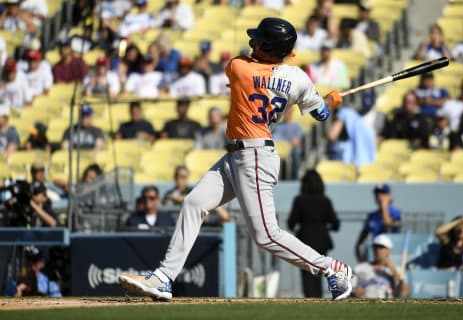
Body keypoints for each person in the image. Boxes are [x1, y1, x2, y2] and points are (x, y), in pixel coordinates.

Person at [119, 17, 352, 302]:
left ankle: (332, 269)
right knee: (194, 203)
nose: (252, 42)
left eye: (258, 40)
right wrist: (330, 100)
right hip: (238, 156)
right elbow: (321, 115)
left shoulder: (239, 67)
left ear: (268, 47)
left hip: (254, 156)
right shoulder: (299, 78)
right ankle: (164, 278)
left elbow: (255, 69)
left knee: (266, 234)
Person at [287, 170, 340, 297]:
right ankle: (318, 298)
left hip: (304, 238)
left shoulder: (299, 200)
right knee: (320, 271)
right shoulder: (325, 200)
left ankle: (309, 298)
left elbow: (291, 223)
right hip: (322, 240)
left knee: (306, 273)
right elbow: (335, 224)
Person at [355, 184, 401, 262]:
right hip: (374, 255)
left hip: (392, 255)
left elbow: (388, 225)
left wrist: (384, 205)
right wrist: (359, 256)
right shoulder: (372, 216)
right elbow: (360, 241)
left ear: (389, 195)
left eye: (383, 193)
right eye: (377, 193)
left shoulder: (396, 212)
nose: (380, 196)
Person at [352, 234, 409, 298]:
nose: (377, 250)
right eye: (375, 247)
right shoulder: (359, 268)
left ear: (389, 250)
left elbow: (405, 292)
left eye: (381, 247)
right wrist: (354, 292)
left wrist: (394, 271)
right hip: (364, 304)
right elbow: (348, 289)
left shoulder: (398, 270)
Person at [271, 107, 303, 179]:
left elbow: (296, 142)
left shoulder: (297, 126)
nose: (287, 114)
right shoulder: (277, 126)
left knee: (296, 152)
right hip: (279, 149)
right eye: (285, 112)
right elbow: (274, 139)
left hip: (290, 149)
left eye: (289, 112)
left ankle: (294, 177)